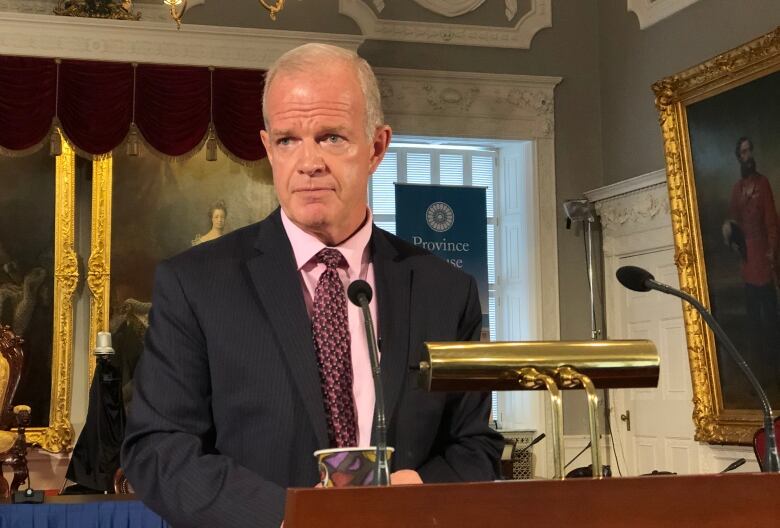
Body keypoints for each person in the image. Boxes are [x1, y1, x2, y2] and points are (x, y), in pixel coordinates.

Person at [121, 43, 502, 528]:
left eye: (331, 137)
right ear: (267, 149)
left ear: (377, 148)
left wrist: (419, 495)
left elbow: (474, 445)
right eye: (287, 141)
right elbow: (158, 448)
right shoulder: (195, 283)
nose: (308, 162)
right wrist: (296, 517)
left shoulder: (446, 290)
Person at [724, 137, 779, 373]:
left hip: (764, 257)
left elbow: (771, 220)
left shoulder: (763, 183)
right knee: (753, 315)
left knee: (770, 312)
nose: (748, 155)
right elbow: (733, 220)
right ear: (739, 157)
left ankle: (775, 359)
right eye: (744, 152)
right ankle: (758, 365)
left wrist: (772, 250)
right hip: (747, 259)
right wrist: (730, 235)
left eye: (750, 151)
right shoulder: (737, 189)